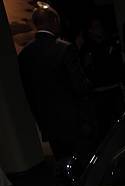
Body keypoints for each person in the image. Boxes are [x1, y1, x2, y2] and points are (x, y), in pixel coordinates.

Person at [18, 3, 93, 160]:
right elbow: (80, 86)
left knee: (62, 160)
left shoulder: (25, 54)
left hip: (49, 124)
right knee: (83, 163)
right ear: (54, 21)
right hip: (74, 123)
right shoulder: (64, 49)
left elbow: (29, 93)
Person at [80, 16, 125, 143]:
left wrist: (122, 81)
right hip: (99, 93)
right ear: (90, 30)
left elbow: (118, 64)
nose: (99, 29)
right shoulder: (87, 48)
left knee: (123, 123)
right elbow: (86, 70)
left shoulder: (109, 43)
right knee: (103, 126)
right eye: (96, 27)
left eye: (99, 26)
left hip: (114, 89)